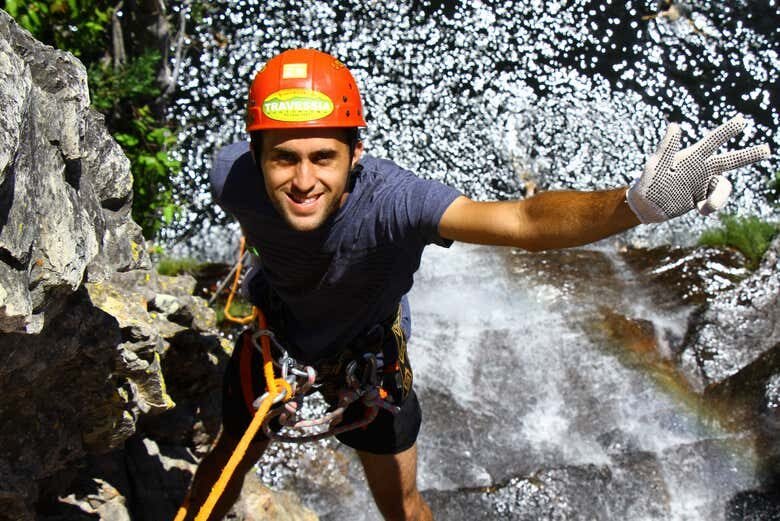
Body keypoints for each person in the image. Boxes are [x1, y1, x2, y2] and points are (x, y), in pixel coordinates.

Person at [179, 48, 770, 520]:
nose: (304, 179)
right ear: (255, 156)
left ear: (356, 154)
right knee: (225, 461)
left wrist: (633, 205)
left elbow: (522, 220)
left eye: (323, 157)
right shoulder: (231, 178)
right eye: (284, 158)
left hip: (368, 358)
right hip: (276, 340)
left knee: (403, 509)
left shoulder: (397, 202)